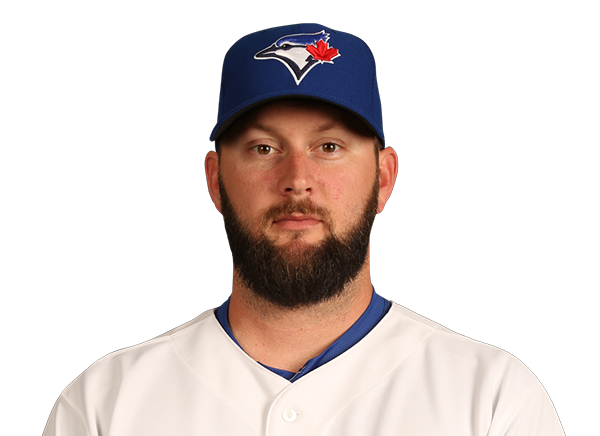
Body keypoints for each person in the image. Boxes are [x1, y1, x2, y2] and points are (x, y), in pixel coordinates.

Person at [43, 24, 564, 435]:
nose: (297, 181)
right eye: (263, 148)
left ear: (383, 179)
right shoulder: (104, 404)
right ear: (216, 180)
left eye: (329, 147)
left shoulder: (491, 397)